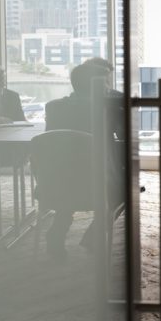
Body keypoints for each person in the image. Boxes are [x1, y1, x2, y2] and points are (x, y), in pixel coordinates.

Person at [43, 63, 124, 258]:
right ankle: (93, 237)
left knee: (70, 185)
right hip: (97, 181)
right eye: (105, 83)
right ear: (95, 85)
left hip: (58, 179)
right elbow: (123, 135)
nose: (108, 87)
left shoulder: (54, 106)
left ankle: (57, 231)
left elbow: (49, 140)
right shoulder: (107, 109)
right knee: (124, 191)